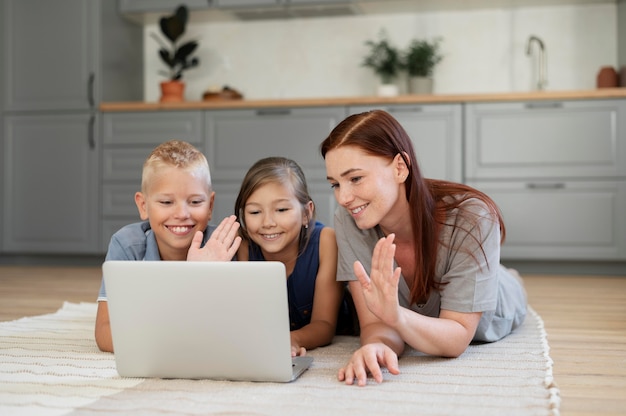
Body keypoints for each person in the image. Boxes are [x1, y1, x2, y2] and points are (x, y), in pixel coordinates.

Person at [320, 110, 527, 386]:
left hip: (495, 304)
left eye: (355, 179)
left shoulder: (473, 217)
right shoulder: (348, 221)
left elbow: (457, 338)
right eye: (335, 184)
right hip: (416, 314)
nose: (343, 198)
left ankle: (506, 275)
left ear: (399, 168)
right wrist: (378, 346)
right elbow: (376, 323)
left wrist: (397, 316)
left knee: (505, 281)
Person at [95, 140, 242, 352]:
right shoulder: (126, 245)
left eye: (195, 202)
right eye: (166, 202)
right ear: (143, 206)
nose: (182, 214)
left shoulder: (224, 247)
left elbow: (231, 330)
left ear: (210, 206)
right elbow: (104, 333)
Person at [234, 156, 352, 357]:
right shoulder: (242, 245)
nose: (268, 222)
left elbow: (324, 325)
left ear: (306, 213)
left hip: (336, 339)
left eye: (281, 209)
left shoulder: (326, 241)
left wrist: (291, 340)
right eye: (255, 212)